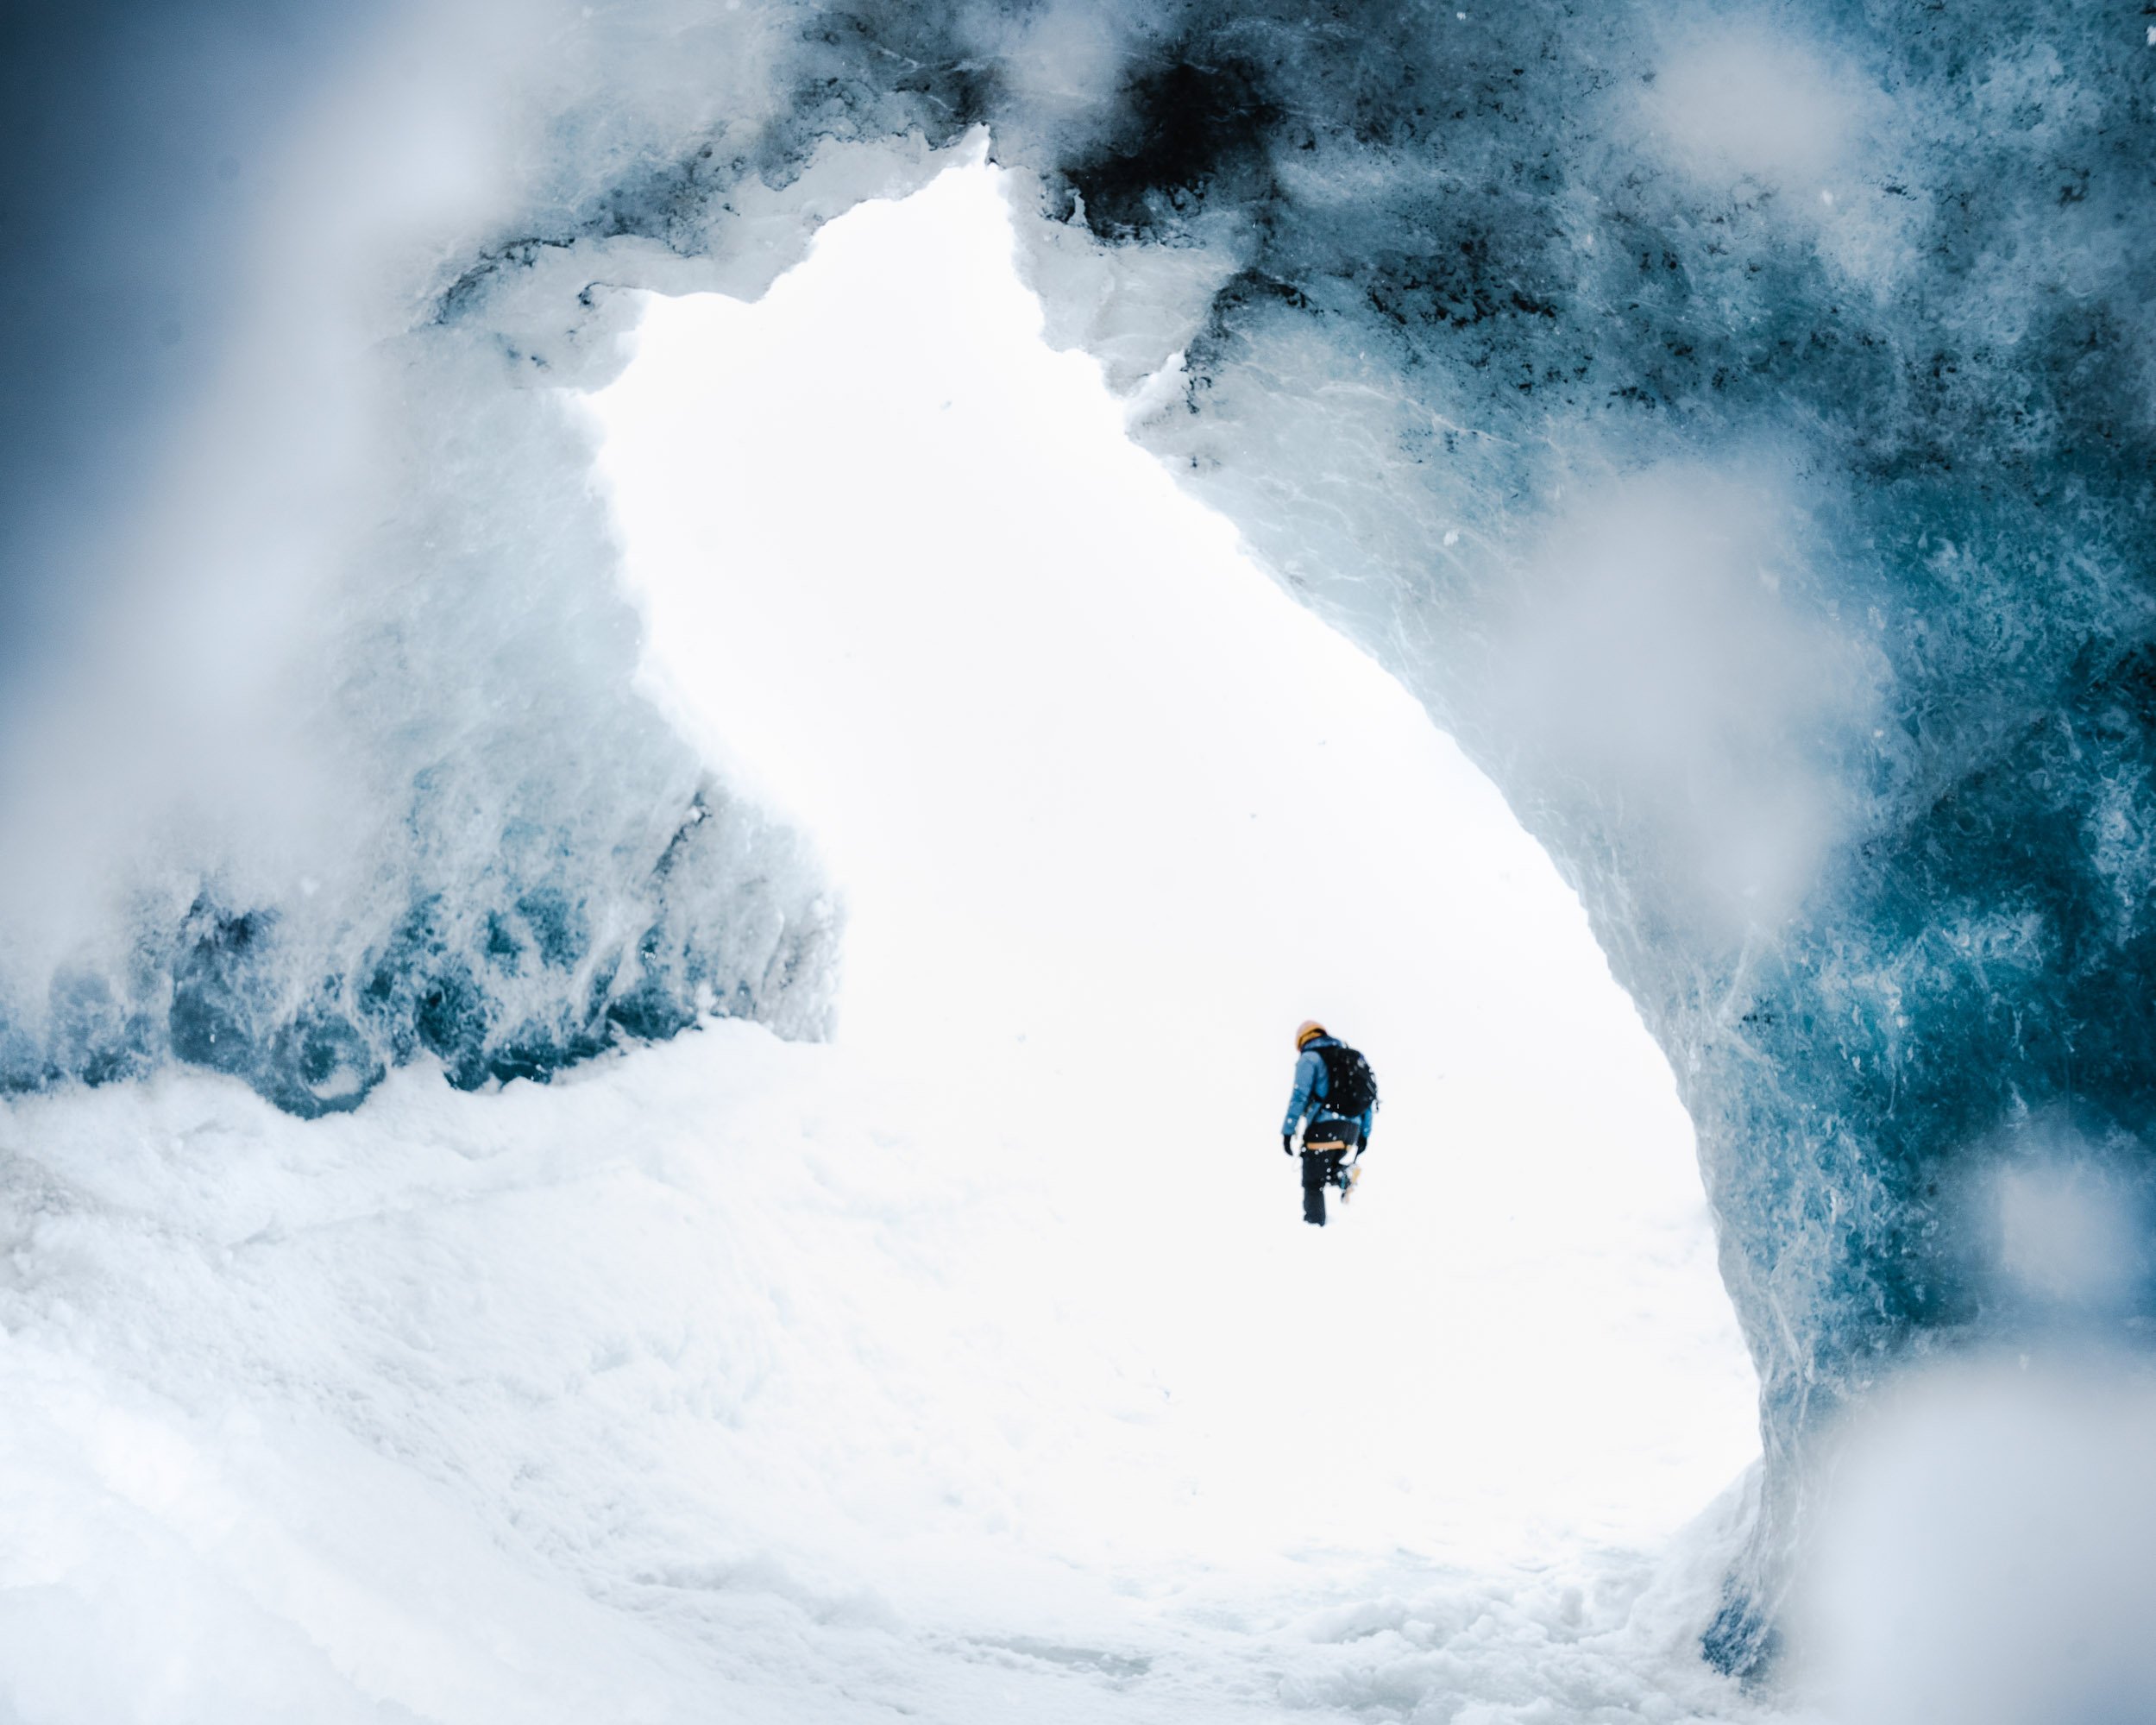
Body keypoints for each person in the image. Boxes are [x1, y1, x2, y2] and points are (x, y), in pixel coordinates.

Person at [1280, 1019, 1378, 1226]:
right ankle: (1343, 1176)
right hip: (1351, 1132)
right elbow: (1367, 1101)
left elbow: (1300, 1096)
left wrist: (1288, 1131)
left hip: (1324, 1128)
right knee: (1325, 1169)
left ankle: (1314, 1230)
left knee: (1313, 1182)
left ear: (1301, 1040)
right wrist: (1364, 1135)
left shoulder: (1310, 1057)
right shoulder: (1348, 1058)